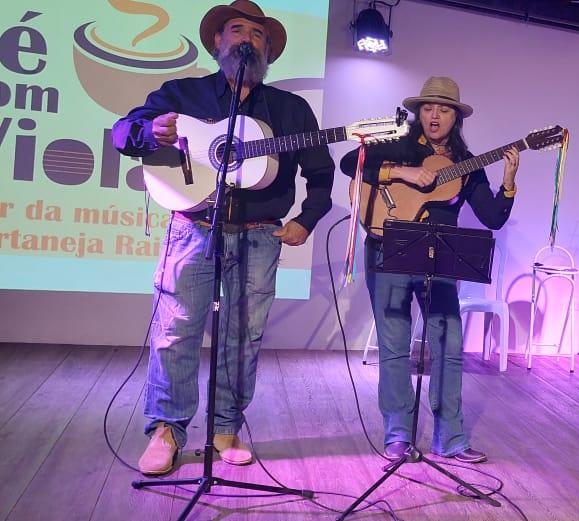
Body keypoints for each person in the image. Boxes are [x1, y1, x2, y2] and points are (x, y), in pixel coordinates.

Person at [112, 0, 335, 475]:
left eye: (258, 35)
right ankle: (167, 429)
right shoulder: (182, 93)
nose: (246, 40)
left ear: (268, 50)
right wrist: (149, 131)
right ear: (218, 40)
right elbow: (121, 133)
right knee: (175, 331)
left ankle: (226, 428)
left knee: (243, 338)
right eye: (237, 30)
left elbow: (321, 173)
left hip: (259, 236)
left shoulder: (291, 110)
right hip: (191, 229)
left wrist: (307, 219)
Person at [339, 76, 520, 464]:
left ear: (456, 117)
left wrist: (508, 184)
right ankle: (398, 436)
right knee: (394, 346)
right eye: (428, 108)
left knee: (449, 347)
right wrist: (402, 173)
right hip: (387, 250)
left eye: (443, 109)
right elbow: (349, 162)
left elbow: (492, 217)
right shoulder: (399, 141)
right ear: (419, 112)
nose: (434, 115)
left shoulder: (467, 164)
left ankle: (450, 438)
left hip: (439, 260)